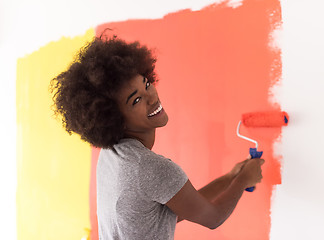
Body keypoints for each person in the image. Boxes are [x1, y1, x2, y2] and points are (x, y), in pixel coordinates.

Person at [51, 36, 264, 240]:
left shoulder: (111, 155)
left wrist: (230, 178)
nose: (152, 97)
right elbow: (213, 218)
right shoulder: (151, 168)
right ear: (114, 118)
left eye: (146, 84)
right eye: (136, 101)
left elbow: (170, 210)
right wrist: (245, 180)